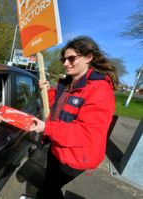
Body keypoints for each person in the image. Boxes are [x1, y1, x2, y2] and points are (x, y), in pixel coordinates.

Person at [29, 36, 119, 199]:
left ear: (89, 57)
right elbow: (56, 106)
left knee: (49, 188)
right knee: (49, 185)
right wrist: (47, 90)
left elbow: (86, 133)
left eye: (71, 58)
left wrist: (47, 127)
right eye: (64, 59)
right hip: (57, 147)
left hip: (74, 157)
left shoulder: (99, 90)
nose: (65, 63)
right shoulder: (68, 83)